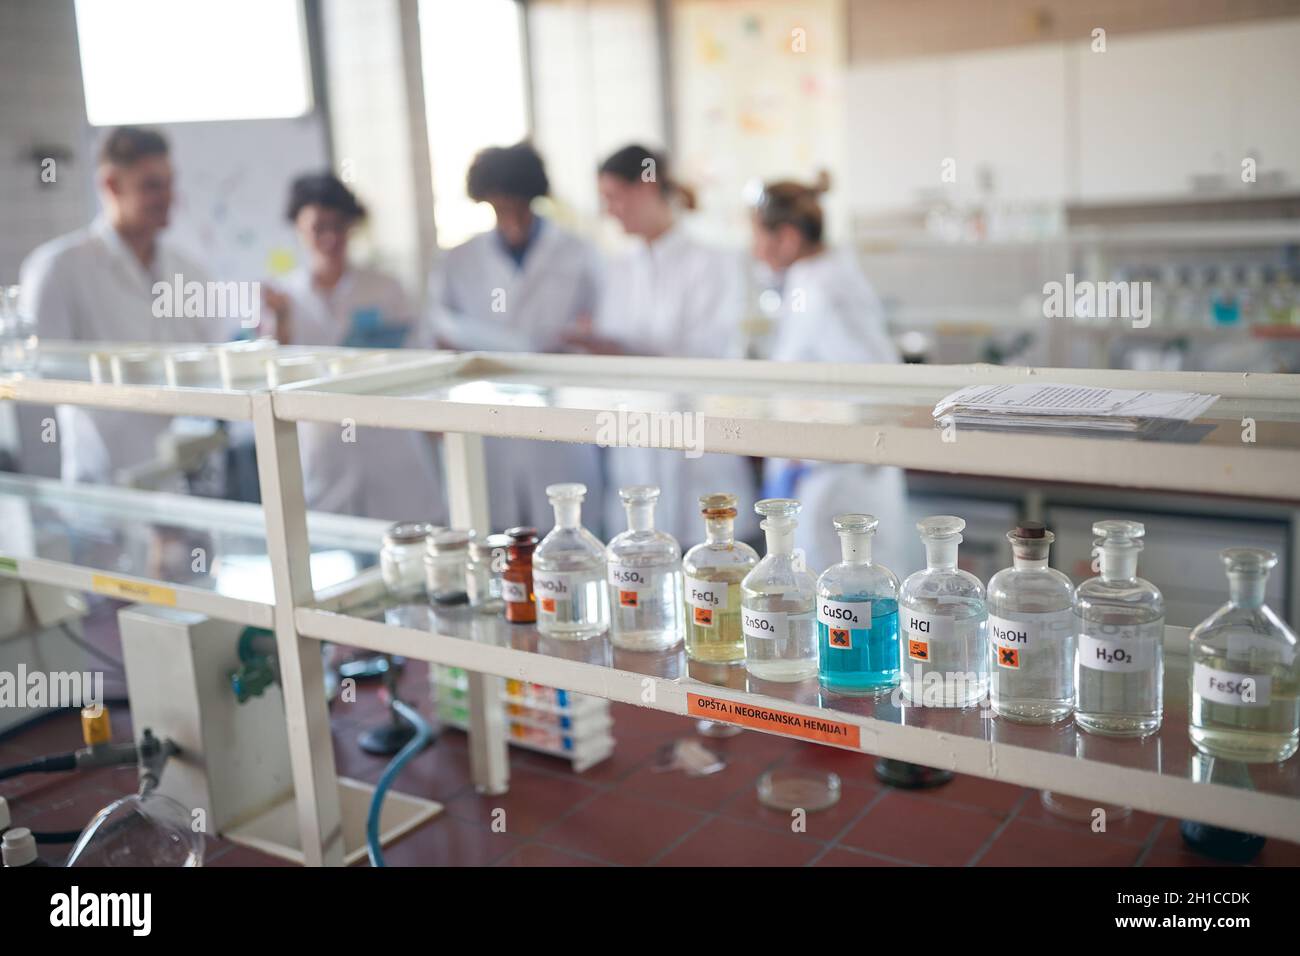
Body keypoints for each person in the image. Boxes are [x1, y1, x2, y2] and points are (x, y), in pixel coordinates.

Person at [19, 127, 229, 487]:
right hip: (107, 489)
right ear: (111, 185)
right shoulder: (59, 269)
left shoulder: (189, 269)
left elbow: (215, 364)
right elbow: (35, 386)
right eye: (151, 185)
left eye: (169, 183)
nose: (167, 197)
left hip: (190, 482)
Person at [572, 144, 758, 543]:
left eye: (614, 198)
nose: (610, 210)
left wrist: (625, 351)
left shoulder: (712, 263)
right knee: (640, 560)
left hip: (700, 440)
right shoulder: (619, 267)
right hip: (636, 439)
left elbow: (711, 352)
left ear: (646, 188)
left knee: (711, 565)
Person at [428, 142, 602, 533]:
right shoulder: (458, 260)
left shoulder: (578, 252)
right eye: (499, 206)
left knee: (567, 537)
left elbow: (600, 327)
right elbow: (437, 333)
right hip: (486, 415)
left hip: (561, 412)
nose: (511, 216)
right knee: (494, 535)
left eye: (518, 205)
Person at [751, 174, 910, 576]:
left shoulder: (824, 288)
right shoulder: (811, 280)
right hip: (822, 471)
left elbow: (875, 386)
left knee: (848, 603)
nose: (754, 250)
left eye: (758, 237)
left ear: (786, 238)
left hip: (842, 479)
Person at [264, 173, 445, 523]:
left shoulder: (387, 290)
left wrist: (435, 417)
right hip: (325, 452)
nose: (330, 238)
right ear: (298, 228)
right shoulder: (283, 300)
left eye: (339, 226)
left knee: (408, 551)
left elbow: (422, 361)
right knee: (334, 551)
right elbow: (271, 377)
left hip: (391, 449)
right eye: (319, 227)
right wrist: (279, 325)